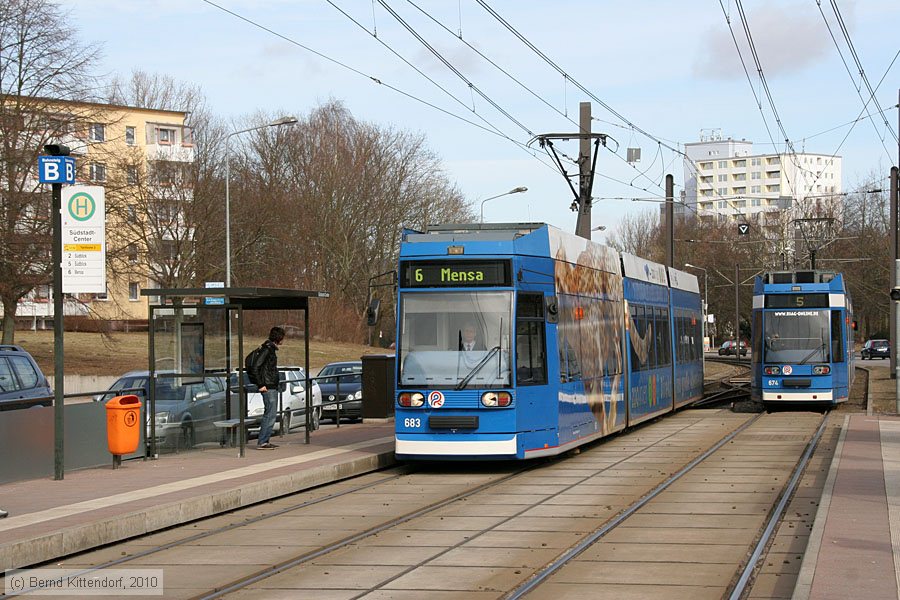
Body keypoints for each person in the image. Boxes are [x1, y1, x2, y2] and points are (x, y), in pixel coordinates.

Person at [249, 326, 285, 449]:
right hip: (268, 387)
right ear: (279, 338)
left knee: (271, 414)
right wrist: (261, 384)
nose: (283, 340)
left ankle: (265, 440)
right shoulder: (267, 350)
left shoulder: (269, 349)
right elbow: (255, 367)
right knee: (270, 414)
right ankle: (263, 441)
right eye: (282, 337)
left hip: (270, 386)